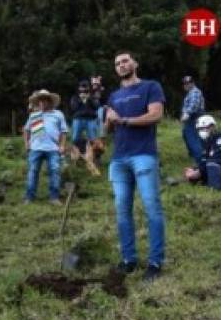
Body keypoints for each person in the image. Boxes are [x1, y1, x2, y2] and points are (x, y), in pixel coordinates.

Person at [104, 51, 167, 282]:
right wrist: (109, 119)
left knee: (152, 208)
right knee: (122, 211)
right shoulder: (113, 95)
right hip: (119, 159)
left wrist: (124, 120)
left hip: (144, 156)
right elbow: (107, 130)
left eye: (125, 61)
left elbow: (155, 115)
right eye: (117, 63)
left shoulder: (150, 87)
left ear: (135, 63)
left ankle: (155, 262)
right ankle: (129, 260)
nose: (121, 65)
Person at [23, 89, 68, 205]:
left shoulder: (58, 114)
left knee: (54, 171)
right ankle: (29, 197)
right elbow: (26, 130)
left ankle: (54, 197)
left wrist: (62, 145)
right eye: (39, 101)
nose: (41, 103)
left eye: (43, 100)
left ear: (49, 101)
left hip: (53, 148)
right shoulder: (34, 115)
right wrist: (27, 143)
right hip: (36, 148)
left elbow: (63, 132)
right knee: (33, 171)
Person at [184, 115, 221, 190]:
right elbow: (204, 160)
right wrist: (195, 170)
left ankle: (217, 188)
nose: (201, 132)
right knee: (199, 168)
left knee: (212, 164)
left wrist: (200, 171)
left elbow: (218, 157)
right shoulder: (208, 143)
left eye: (204, 128)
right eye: (199, 129)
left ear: (212, 127)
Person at [69, 80, 101, 155]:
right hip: (78, 119)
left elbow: (97, 106)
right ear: (79, 88)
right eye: (82, 87)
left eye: (85, 87)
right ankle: (75, 156)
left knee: (92, 138)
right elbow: (73, 108)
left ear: (88, 87)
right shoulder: (75, 97)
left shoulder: (93, 96)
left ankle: (94, 156)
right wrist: (81, 100)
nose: (83, 89)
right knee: (75, 138)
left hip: (91, 119)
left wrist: (89, 99)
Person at [180, 75, 206, 164]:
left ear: (193, 83)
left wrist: (187, 114)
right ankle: (196, 154)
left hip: (194, 117)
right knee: (186, 134)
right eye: (185, 83)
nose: (187, 85)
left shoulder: (195, 92)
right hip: (193, 117)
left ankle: (200, 160)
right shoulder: (191, 92)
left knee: (192, 138)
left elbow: (193, 105)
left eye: (189, 83)